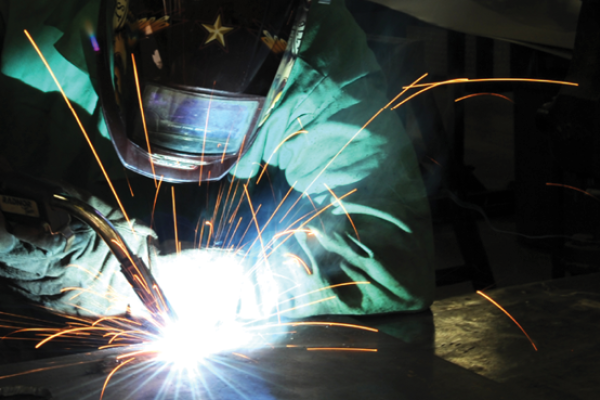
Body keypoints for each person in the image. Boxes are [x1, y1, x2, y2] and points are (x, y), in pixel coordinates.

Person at [0, 0, 434, 322]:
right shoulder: (23, 39)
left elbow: (390, 267)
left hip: (233, 233)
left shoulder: (319, 71)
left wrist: (169, 286)